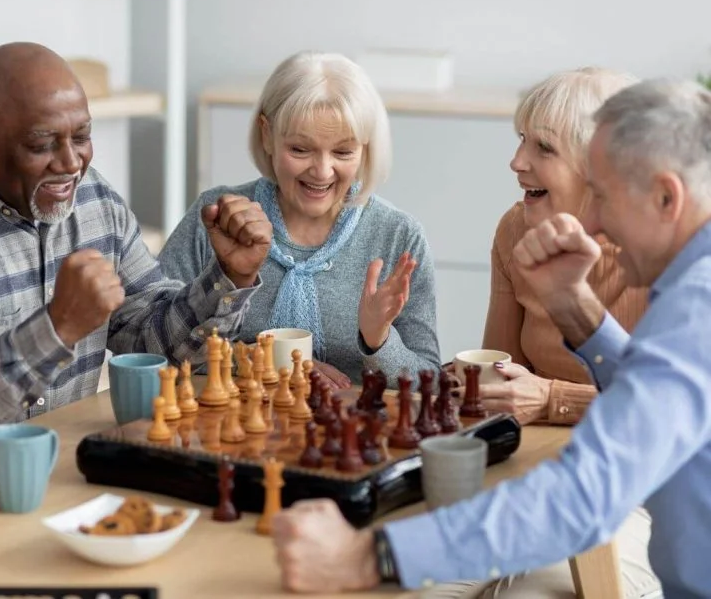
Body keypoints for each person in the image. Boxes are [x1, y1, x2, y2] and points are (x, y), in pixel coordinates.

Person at [272, 79, 711, 599]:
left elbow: (582, 498)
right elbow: (654, 402)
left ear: (667, 197)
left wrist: (368, 556)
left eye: (605, 198)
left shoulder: (695, 308)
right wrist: (572, 305)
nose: (592, 222)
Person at [0, 42, 271, 446]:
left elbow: (155, 342)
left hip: (68, 467)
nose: (71, 163)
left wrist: (229, 277)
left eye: (82, 136)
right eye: (42, 145)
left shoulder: (92, 198)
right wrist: (57, 328)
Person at [159, 51, 440, 385]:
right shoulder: (217, 217)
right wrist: (260, 361)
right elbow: (151, 346)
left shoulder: (398, 236)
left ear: (365, 148)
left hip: (353, 434)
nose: (322, 171)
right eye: (300, 150)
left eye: (343, 152)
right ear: (267, 134)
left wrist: (379, 339)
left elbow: (432, 383)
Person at [480, 67, 648, 427]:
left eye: (544, 147)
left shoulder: (667, 256)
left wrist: (551, 399)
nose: (517, 161)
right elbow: (502, 368)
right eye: (522, 139)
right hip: (540, 447)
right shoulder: (515, 231)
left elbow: (669, 406)